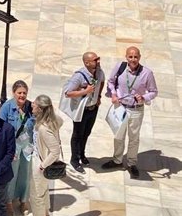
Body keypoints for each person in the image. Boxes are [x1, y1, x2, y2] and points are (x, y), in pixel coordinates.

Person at [103, 46, 158, 178]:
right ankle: (117, 160)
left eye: (136, 56)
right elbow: (111, 82)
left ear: (139, 57)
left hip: (136, 109)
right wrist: (114, 94)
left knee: (133, 138)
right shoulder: (120, 67)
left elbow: (154, 91)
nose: (133, 59)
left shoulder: (147, 73)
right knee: (118, 136)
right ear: (126, 57)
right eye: (130, 56)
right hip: (121, 107)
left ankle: (132, 163)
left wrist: (143, 97)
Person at [25, 95, 62, 216]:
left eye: (34, 105)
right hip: (40, 161)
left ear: (40, 109)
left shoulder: (43, 128)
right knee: (44, 191)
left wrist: (42, 166)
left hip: (40, 163)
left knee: (36, 196)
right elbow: (60, 120)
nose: (32, 106)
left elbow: (55, 151)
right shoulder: (52, 120)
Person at [64, 51, 105, 173]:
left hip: (93, 108)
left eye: (98, 59)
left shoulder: (99, 72)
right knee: (77, 134)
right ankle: (74, 159)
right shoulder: (79, 76)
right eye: (95, 60)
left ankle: (82, 154)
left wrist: (98, 96)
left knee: (87, 132)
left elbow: (102, 81)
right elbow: (68, 93)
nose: (98, 61)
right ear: (87, 62)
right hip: (82, 110)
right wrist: (85, 91)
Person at [0, 80, 34, 216]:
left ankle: (23, 200)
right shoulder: (7, 107)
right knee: (11, 176)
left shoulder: (31, 106)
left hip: (27, 146)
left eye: (24, 93)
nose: (22, 95)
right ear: (14, 93)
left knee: (25, 174)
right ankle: (8, 202)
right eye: (19, 93)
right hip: (12, 146)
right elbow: (1, 130)